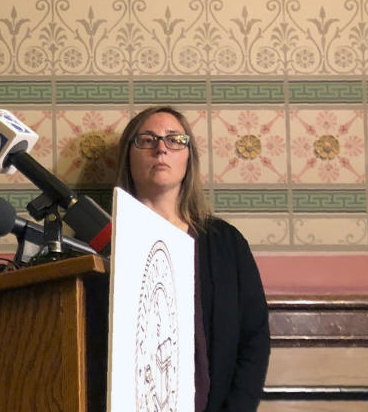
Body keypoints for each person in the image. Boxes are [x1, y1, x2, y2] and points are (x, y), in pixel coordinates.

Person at [115, 106, 270, 412]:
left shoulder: (226, 243)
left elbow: (254, 336)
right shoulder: (106, 241)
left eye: (175, 140)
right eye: (147, 139)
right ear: (128, 157)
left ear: (189, 157)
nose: (161, 147)